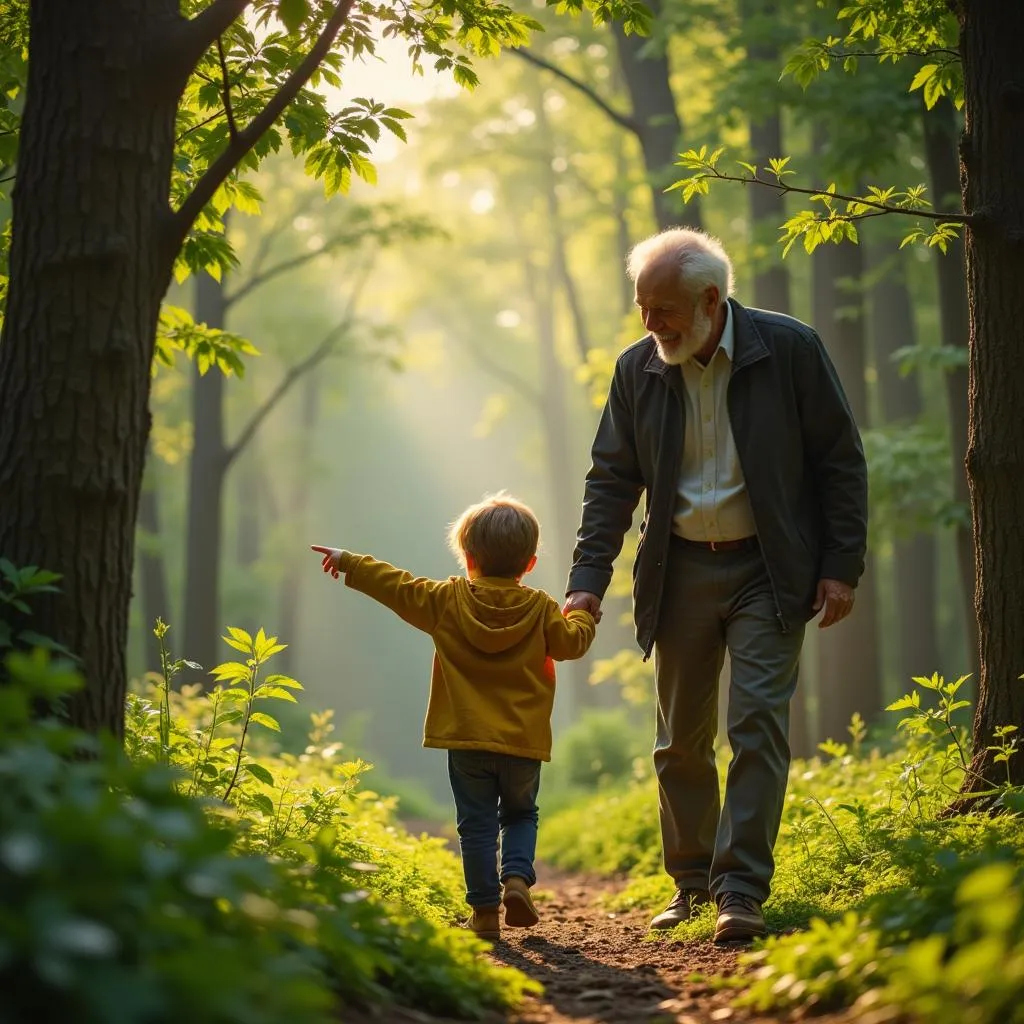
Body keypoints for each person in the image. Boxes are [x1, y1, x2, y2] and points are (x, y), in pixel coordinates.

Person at [563, 228, 867, 943]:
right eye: (642, 307)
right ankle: (691, 884)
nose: (650, 323)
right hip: (679, 570)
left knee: (757, 725)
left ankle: (741, 890)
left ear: (710, 299)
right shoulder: (638, 369)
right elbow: (610, 483)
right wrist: (585, 584)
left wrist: (839, 566)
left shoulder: (789, 350)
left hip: (771, 568)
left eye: (663, 309)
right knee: (680, 743)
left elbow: (839, 464)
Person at [312, 493, 596, 941]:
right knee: (520, 814)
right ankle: (517, 880)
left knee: (476, 824)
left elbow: (396, 585)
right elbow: (571, 645)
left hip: (464, 740)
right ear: (530, 562)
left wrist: (350, 562)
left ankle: (484, 914)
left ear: (467, 557)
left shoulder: (445, 600)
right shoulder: (541, 608)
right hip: (522, 742)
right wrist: (581, 614)